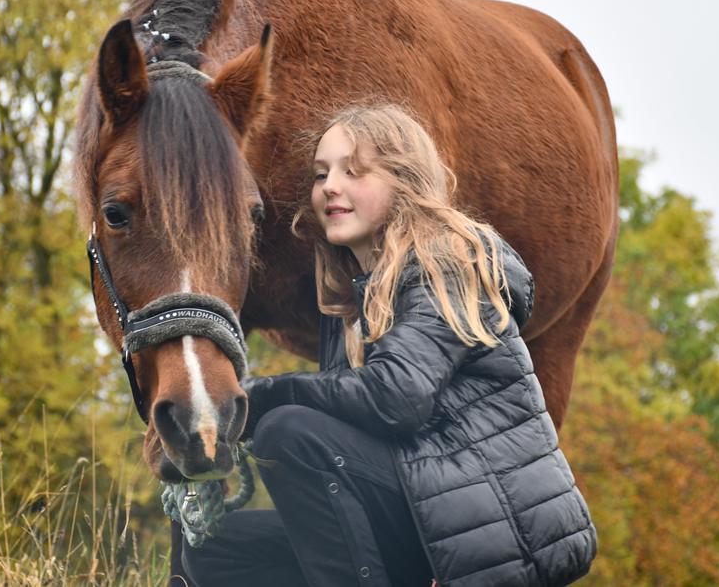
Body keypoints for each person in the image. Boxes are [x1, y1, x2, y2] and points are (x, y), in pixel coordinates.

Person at [180, 105, 596, 586]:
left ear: (404, 181)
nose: (330, 186)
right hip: (417, 506)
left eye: (352, 171)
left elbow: (396, 398)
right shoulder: (351, 297)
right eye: (321, 174)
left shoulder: (450, 261)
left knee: (288, 431)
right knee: (215, 547)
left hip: (493, 530)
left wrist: (255, 399)